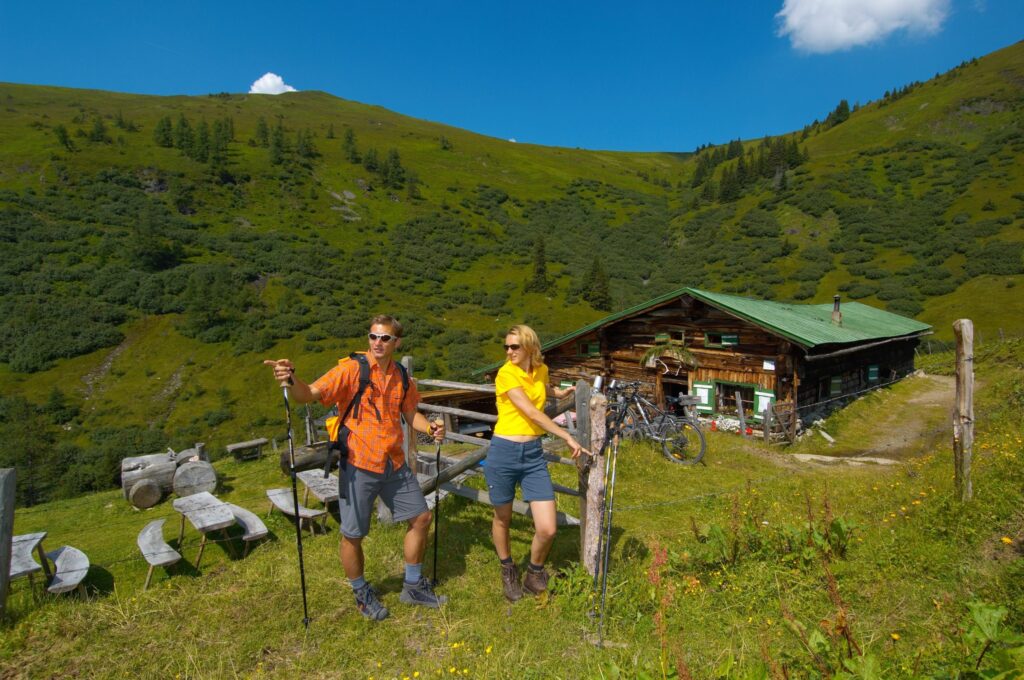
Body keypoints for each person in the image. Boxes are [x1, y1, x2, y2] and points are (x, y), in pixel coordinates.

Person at [264, 315, 446, 621]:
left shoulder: (401, 376)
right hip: (359, 464)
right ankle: (361, 593)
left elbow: (410, 413)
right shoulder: (351, 369)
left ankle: (413, 586)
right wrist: (291, 378)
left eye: (385, 338)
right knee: (353, 534)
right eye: (373, 336)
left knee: (421, 518)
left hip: (394, 462)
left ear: (397, 342)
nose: (377, 343)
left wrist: (430, 428)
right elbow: (309, 394)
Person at [487, 324, 589, 602]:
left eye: (514, 346)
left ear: (530, 347)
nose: (509, 351)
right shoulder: (505, 374)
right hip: (504, 452)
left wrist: (558, 393)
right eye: (506, 346)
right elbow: (531, 412)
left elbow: (540, 388)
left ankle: (534, 573)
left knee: (547, 528)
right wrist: (566, 435)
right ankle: (508, 568)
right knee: (503, 518)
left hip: (532, 453)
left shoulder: (541, 370)